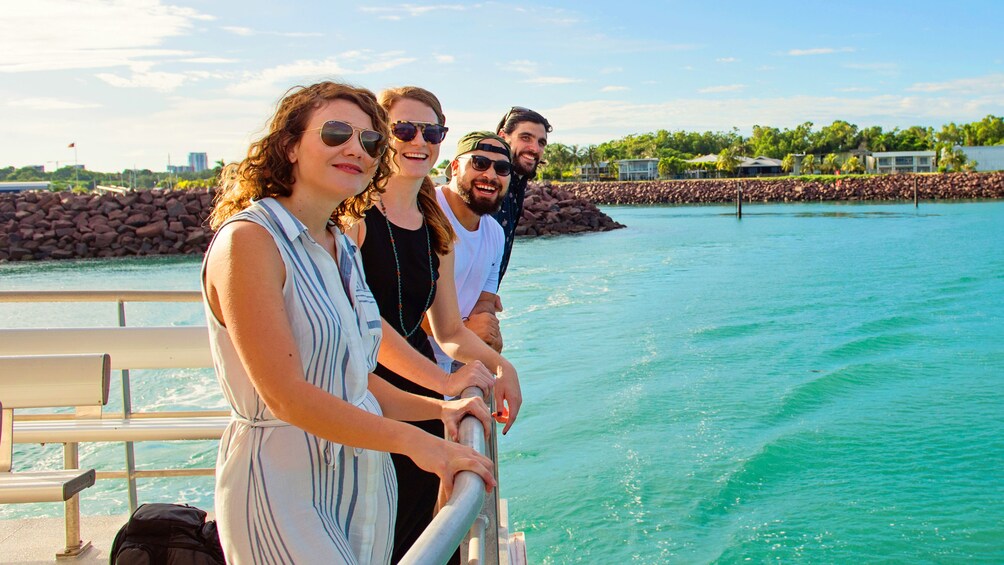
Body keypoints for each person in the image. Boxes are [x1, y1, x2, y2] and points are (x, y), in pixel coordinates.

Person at [201, 81, 495, 565]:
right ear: (290, 145)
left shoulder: (338, 246)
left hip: (363, 482)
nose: (356, 148)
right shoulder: (251, 241)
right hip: (285, 485)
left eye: (371, 141)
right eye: (336, 133)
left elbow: (356, 382)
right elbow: (285, 396)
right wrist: (417, 443)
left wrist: (438, 410)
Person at [347, 87, 522, 562]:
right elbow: (362, 325)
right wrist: (445, 382)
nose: (417, 140)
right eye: (404, 129)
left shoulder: (432, 224)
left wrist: (502, 368)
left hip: (417, 389)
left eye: (430, 131)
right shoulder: (353, 216)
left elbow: (447, 331)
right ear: (380, 135)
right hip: (358, 388)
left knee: (419, 523)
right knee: (366, 530)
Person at [429, 131, 515, 371]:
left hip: (455, 358)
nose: (490, 175)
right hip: (408, 359)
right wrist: (463, 329)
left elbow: (484, 299)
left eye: (502, 168)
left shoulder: (495, 233)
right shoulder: (427, 212)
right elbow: (395, 306)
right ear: (455, 167)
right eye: (479, 164)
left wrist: (488, 327)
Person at [491, 106, 552, 285]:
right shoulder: (486, 183)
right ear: (503, 137)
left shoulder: (516, 182)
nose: (534, 149)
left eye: (541, 143)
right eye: (525, 138)